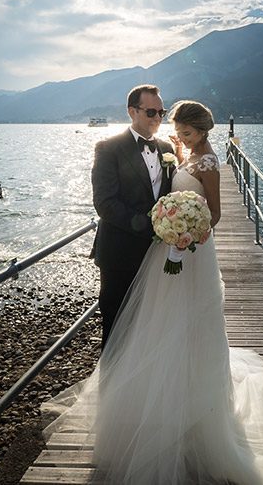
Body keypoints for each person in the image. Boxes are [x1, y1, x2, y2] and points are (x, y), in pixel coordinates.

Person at [44, 99, 263, 484]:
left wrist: (187, 233)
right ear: (134, 111)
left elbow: (213, 213)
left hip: (192, 251)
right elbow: (127, 197)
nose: (176, 135)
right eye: (172, 128)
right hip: (166, 249)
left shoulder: (210, 162)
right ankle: (153, 399)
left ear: (200, 132)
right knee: (158, 320)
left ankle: (195, 410)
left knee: (193, 320)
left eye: (184, 131)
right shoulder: (171, 151)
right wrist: (168, 226)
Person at [90, 84, 175, 347]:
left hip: (157, 254)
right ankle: (111, 387)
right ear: (132, 112)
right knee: (116, 327)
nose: (158, 118)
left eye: (162, 112)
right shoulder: (108, 148)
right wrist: (150, 226)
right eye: (151, 112)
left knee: (151, 325)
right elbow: (104, 203)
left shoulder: (166, 147)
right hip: (119, 254)